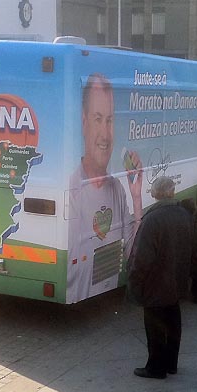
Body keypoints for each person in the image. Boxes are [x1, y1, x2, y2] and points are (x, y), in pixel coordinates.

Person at [68, 73, 144, 303]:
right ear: (83, 122)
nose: (105, 133)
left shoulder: (117, 189)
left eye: (109, 120)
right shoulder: (71, 191)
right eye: (97, 118)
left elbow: (132, 254)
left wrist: (136, 197)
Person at [128, 176, 195, 379]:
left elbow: (142, 257)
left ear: (155, 194)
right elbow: (196, 246)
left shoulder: (152, 219)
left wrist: (135, 280)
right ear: (173, 192)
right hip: (177, 280)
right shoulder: (185, 214)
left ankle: (156, 367)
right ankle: (171, 364)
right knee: (174, 321)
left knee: (155, 327)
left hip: (156, 283)